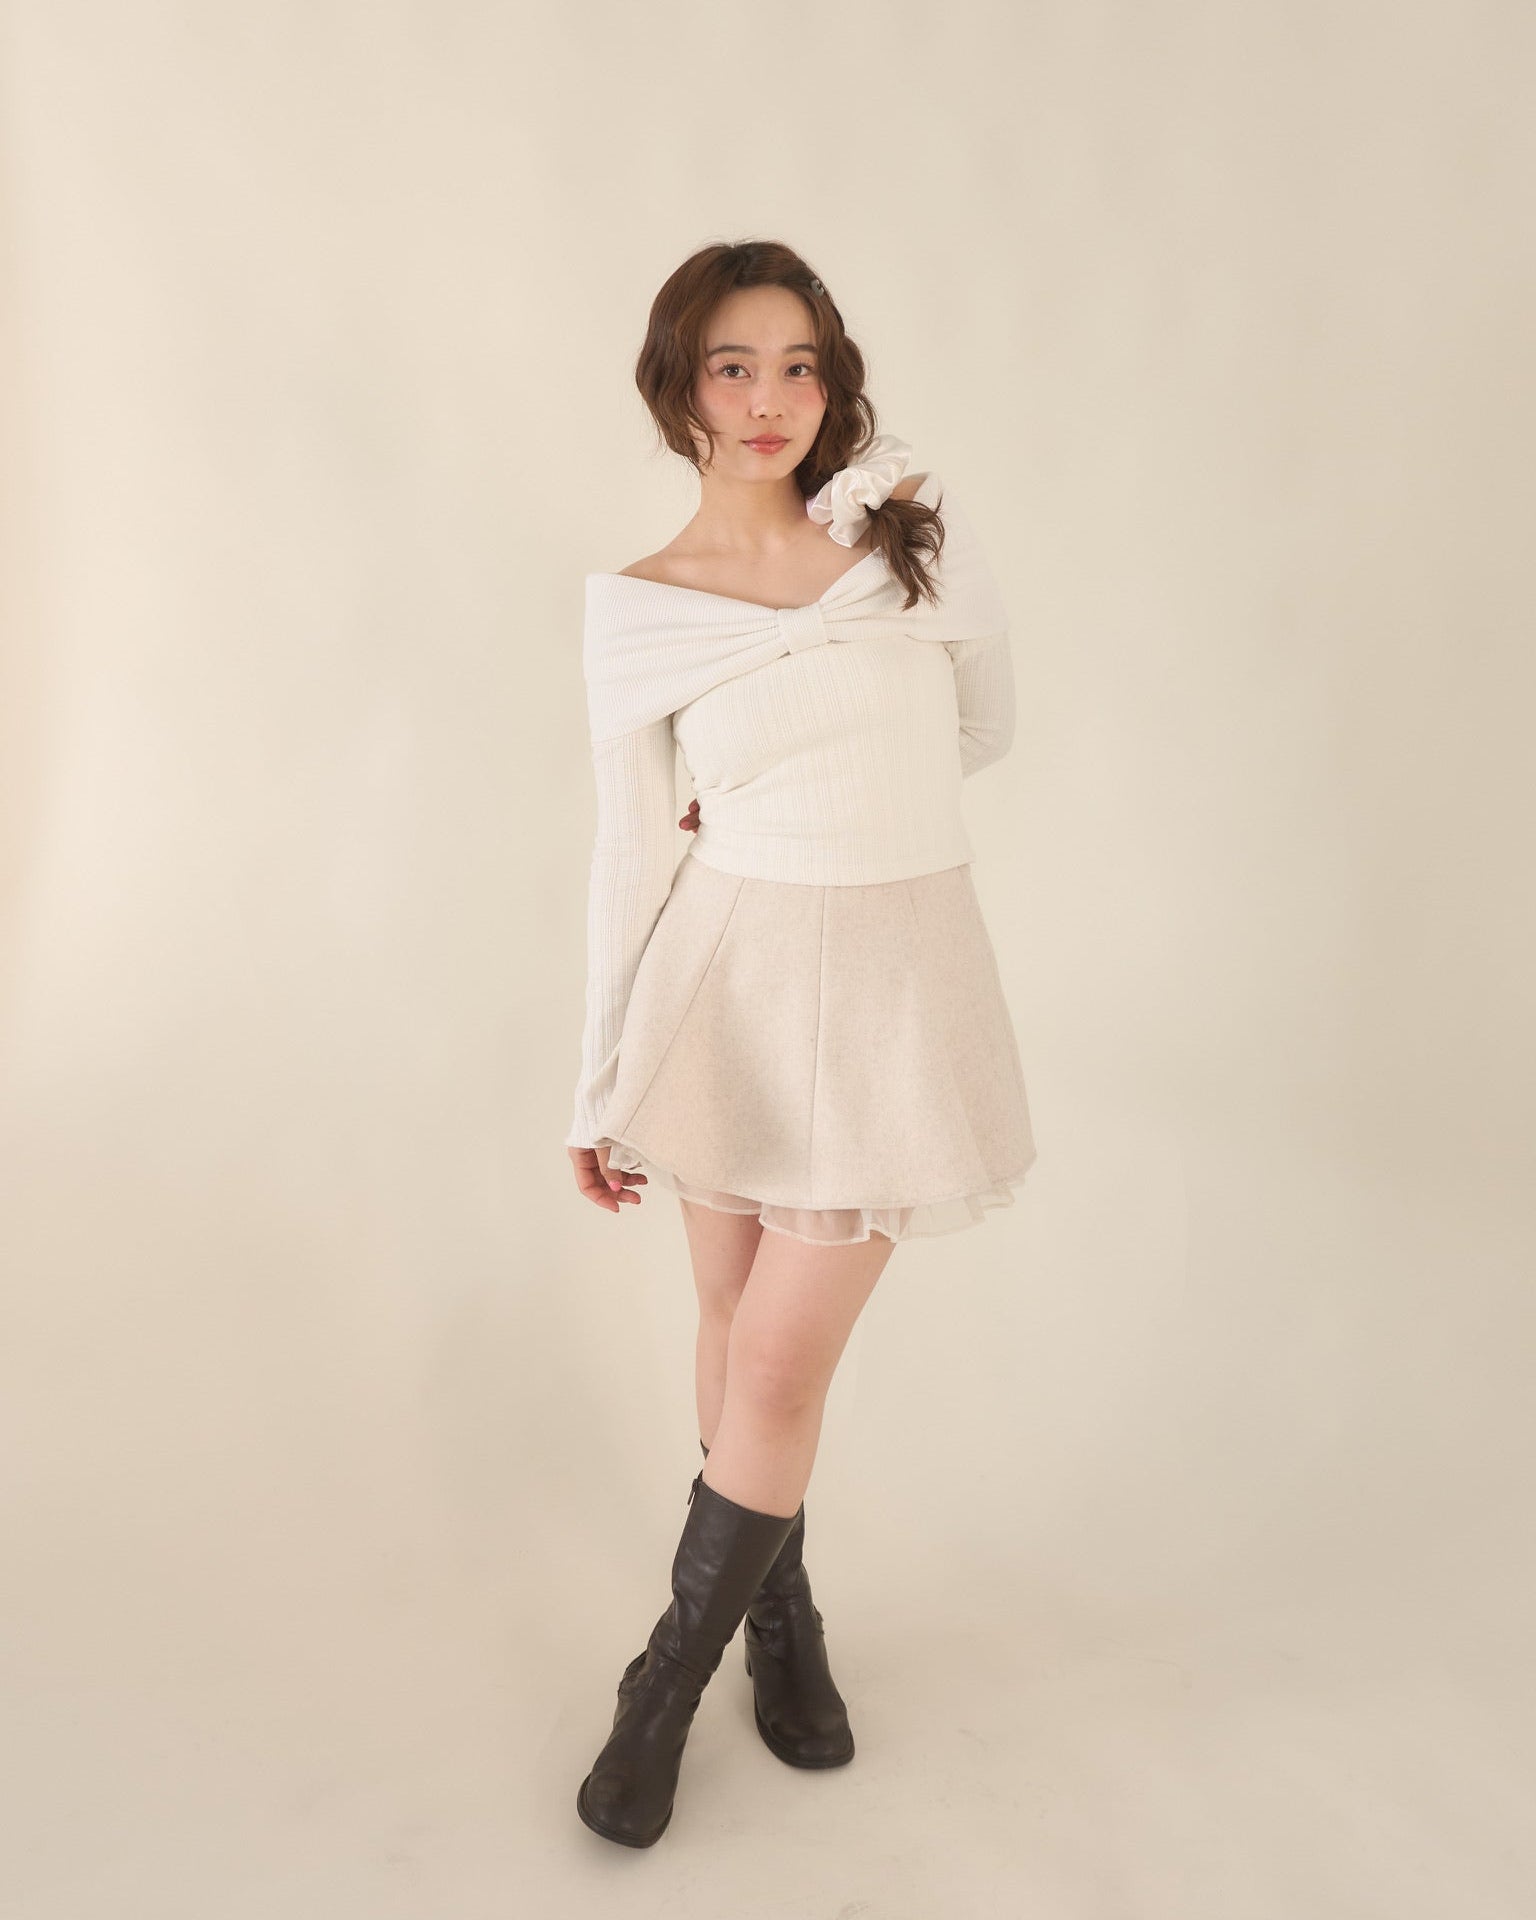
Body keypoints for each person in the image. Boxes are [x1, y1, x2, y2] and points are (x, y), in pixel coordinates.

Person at [564, 240, 1036, 1848]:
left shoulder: (906, 536)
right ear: (677, 387)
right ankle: (784, 1617)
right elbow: (630, 848)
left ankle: (662, 1685)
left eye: (798, 365)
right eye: (731, 366)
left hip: (897, 967)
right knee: (727, 1315)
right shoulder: (638, 611)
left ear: (834, 384)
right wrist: (595, 1079)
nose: (769, 399)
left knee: (777, 1360)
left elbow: (984, 728)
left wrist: (834, 766)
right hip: (731, 968)